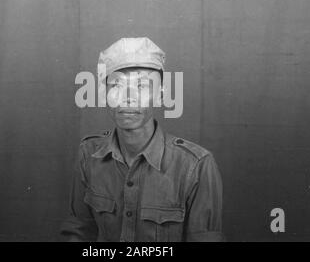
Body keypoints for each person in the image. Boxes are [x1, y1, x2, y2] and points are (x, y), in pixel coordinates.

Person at [61, 37, 224, 241]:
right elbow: (78, 233)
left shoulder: (196, 166)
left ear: (160, 94)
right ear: (104, 93)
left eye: (142, 85)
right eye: (117, 85)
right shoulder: (89, 154)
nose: (128, 96)